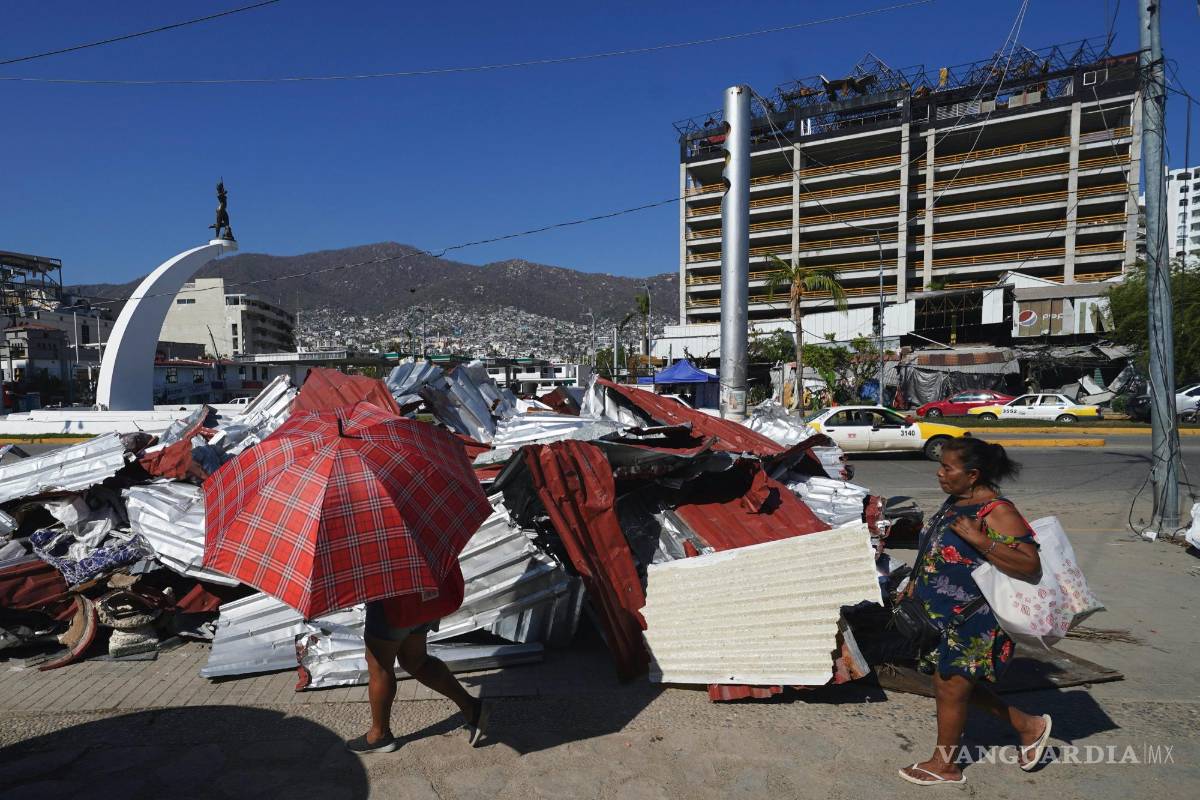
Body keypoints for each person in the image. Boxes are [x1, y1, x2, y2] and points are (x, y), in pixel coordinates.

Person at [898, 437, 1052, 786]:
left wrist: (982, 541)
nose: (940, 474)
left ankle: (946, 765)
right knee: (951, 685)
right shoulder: (958, 500)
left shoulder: (998, 511)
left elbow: (1030, 564)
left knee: (951, 685)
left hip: (972, 617)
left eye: (947, 468)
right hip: (940, 613)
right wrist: (912, 585)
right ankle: (1029, 726)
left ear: (973, 474)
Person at [346, 561, 488, 754]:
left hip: (392, 597)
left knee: (379, 665)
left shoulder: (369, 534)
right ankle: (471, 707)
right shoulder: (419, 531)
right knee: (415, 660)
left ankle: (379, 735)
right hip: (426, 590)